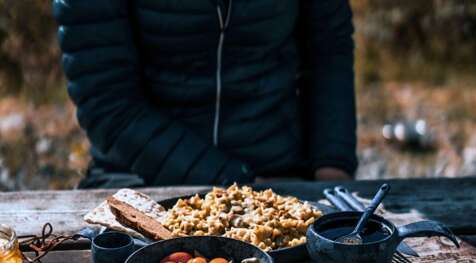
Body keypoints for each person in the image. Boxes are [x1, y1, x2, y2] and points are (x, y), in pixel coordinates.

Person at [53, 1, 357, 189]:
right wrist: (233, 183)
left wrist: (331, 168)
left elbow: (329, 50)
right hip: (140, 180)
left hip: (281, 173)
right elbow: (108, 105)